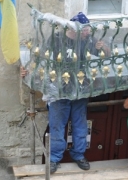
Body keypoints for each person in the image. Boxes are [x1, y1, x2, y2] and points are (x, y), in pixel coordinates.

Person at [46, 12, 110, 174]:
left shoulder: (88, 41)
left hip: (81, 88)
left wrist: (103, 48)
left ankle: (79, 154)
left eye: (88, 30)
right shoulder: (56, 39)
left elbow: (107, 56)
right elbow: (40, 57)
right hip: (59, 89)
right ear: (74, 29)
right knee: (57, 125)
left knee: (80, 123)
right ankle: (54, 158)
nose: (89, 32)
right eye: (85, 30)